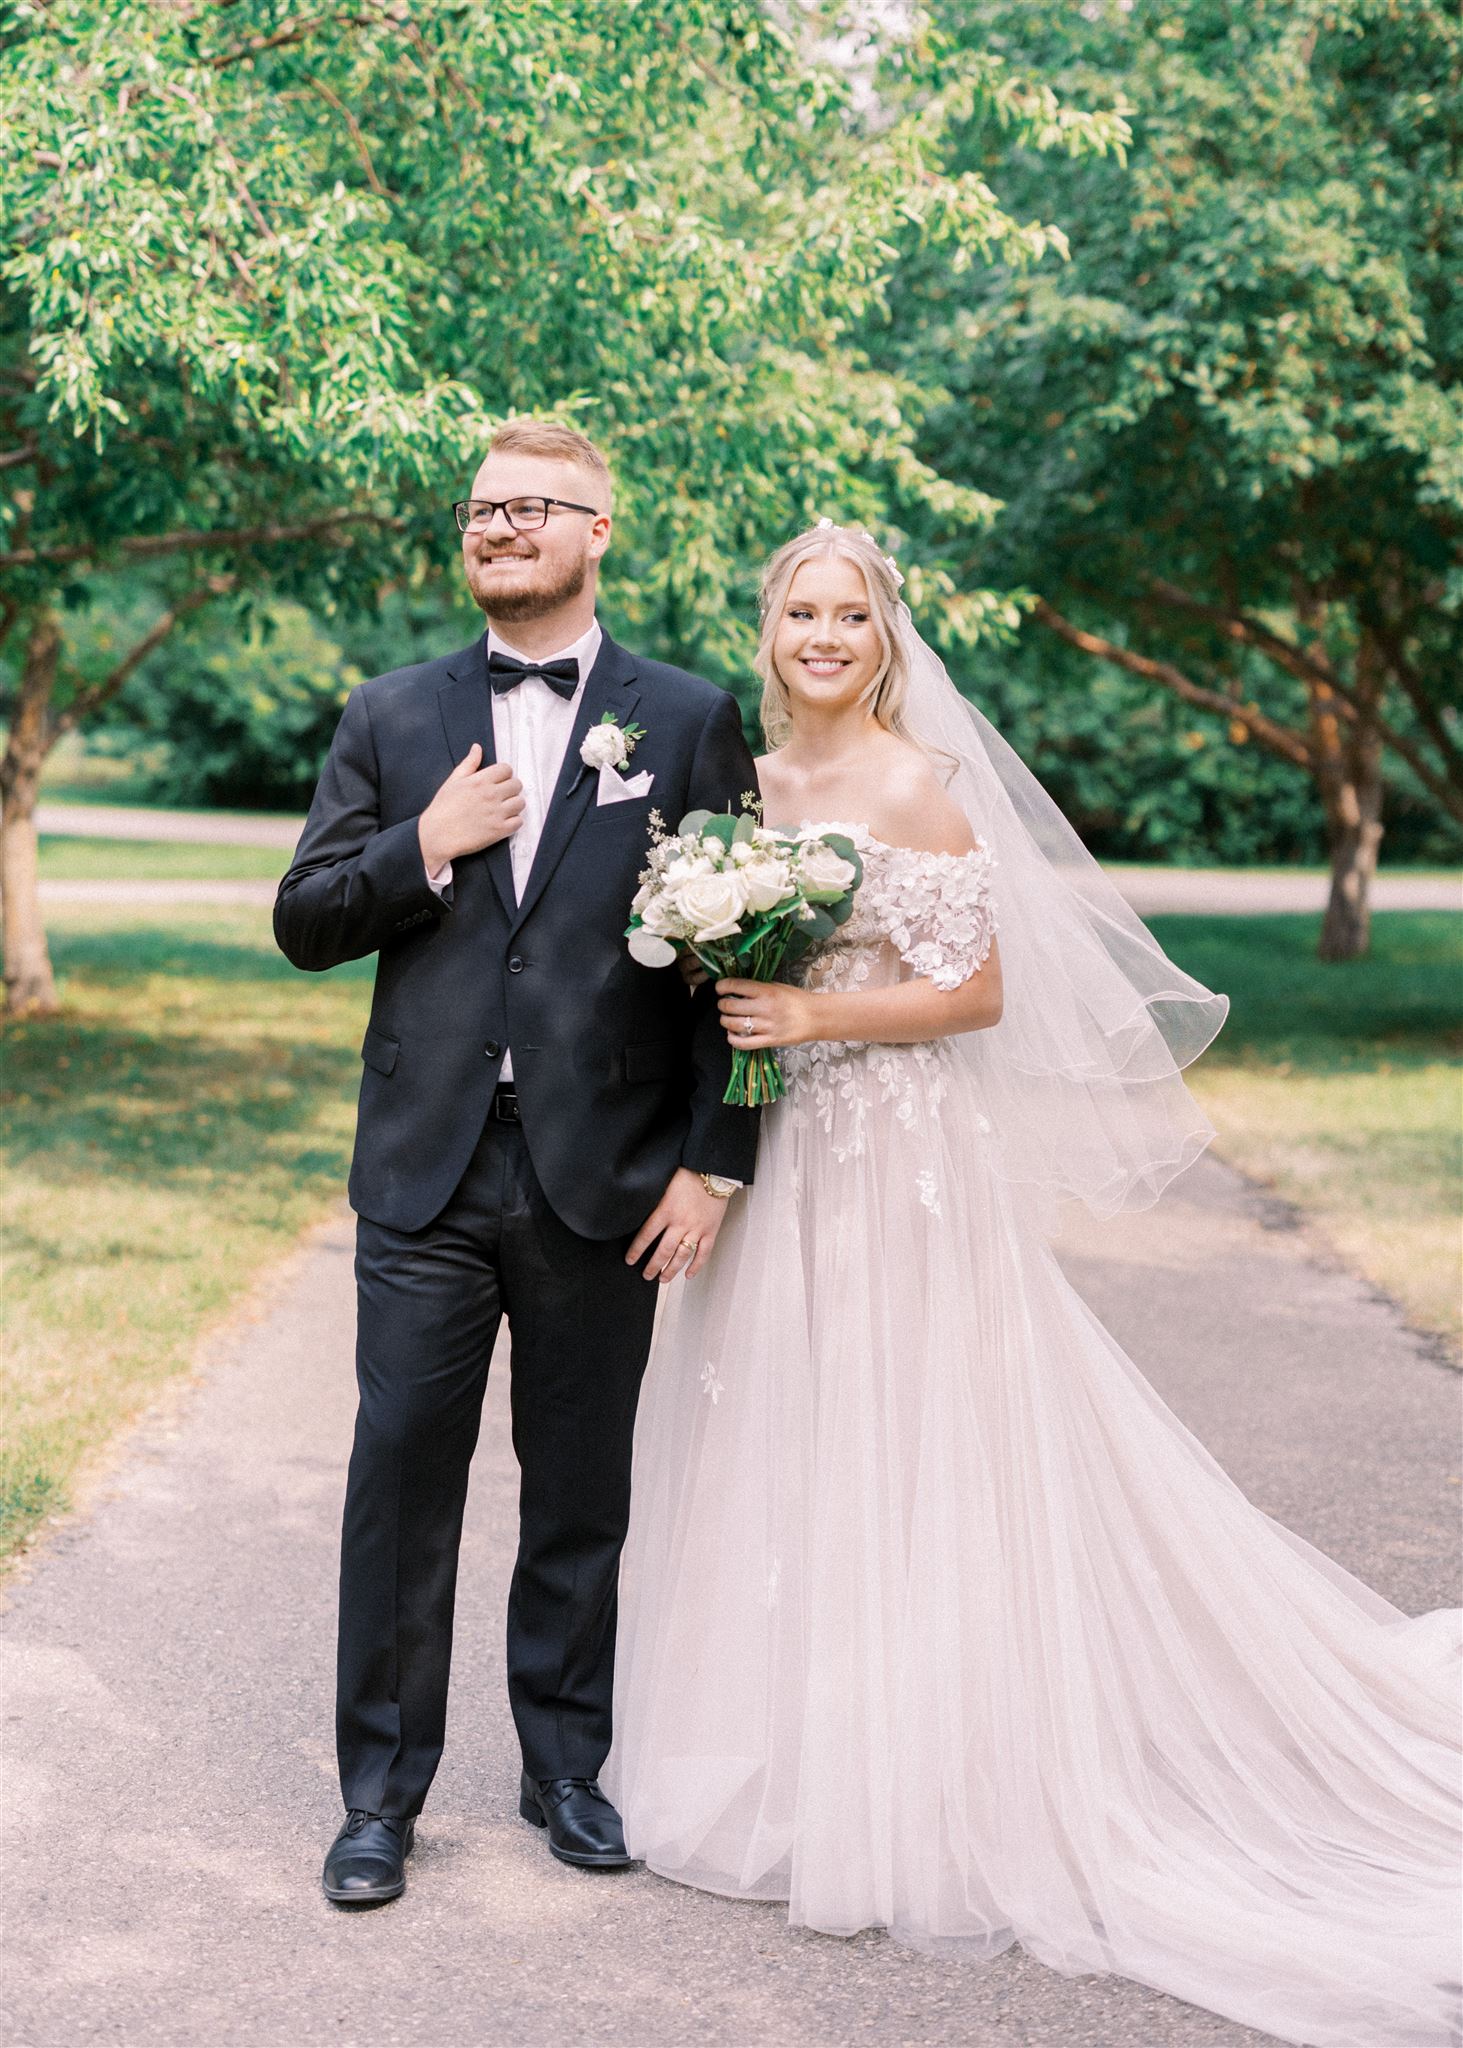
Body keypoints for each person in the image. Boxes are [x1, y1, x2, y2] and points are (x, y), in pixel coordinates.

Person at [604, 523, 1462, 2048]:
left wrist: (813, 1008)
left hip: (891, 1159)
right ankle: (786, 1756)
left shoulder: (912, 783)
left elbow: (982, 991)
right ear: (770, 624)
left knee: (902, 1437)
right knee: (779, 1432)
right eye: (799, 610)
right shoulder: (744, 788)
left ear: (883, 634)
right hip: (781, 1158)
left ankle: (919, 1777)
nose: (821, 635)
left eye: (847, 614)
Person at [274, 419, 759, 1905]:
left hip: (601, 1176)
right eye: (482, 510)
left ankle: (566, 1768)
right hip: (422, 1174)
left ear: (598, 530)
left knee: (580, 1491)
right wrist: (420, 843)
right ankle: (380, 1800)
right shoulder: (391, 714)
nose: (498, 528)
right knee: (399, 1484)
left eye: (532, 508)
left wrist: (712, 1164)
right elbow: (304, 919)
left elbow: (743, 959)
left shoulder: (685, 717)